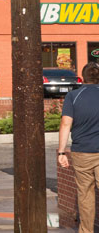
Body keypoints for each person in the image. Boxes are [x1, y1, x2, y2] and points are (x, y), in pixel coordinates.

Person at [58, 61, 99, 233]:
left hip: (81, 152)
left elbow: (66, 123)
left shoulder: (73, 96)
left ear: (82, 78)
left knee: (85, 196)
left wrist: (61, 152)